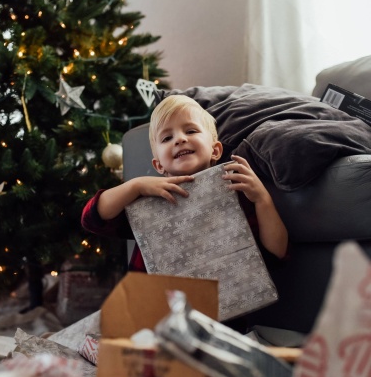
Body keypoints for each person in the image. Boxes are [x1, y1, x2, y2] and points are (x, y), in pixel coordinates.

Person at [81, 95, 288, 275]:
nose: (179, 139)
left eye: (190, 131)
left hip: (223, 310)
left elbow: (275, 254)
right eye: (167, 137)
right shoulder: (147, 200)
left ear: (215, 150)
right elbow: (92, 218)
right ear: (158, 164)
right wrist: (135, 186)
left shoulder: (234, 189)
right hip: (154, 312)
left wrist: (262, 199)